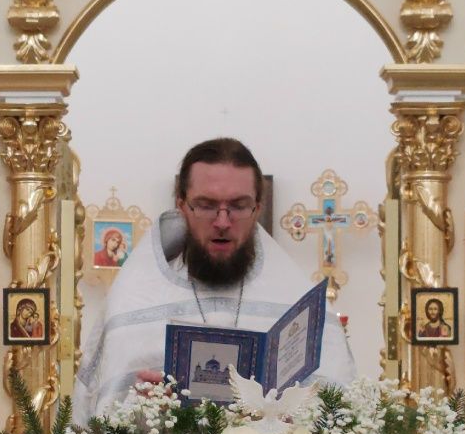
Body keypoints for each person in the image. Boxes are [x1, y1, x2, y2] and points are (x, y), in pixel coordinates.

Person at [76, 138, 355, 418]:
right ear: (182, 206)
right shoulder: (134, 303)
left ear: (257, 208)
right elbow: (98, 418)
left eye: (239, 205)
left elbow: (339, 415)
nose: (222, 222)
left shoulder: (295, 302)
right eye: (206, 205)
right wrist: (144, 412)